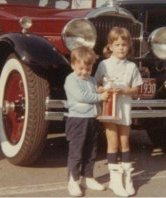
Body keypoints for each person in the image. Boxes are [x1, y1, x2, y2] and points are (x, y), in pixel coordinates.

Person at [94, 27, 143, 197]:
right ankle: (115, 181)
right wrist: (104, 89)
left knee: (125, 143)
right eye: (117, 44)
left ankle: (127, 178)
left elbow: (137, 89)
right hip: (109, 108)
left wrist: (124, 90)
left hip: (124, 107)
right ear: (110, 46)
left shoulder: (131, 67)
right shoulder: (104, 64)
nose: (121, 47)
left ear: (129, 46)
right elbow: (96, 84)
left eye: (124, 44)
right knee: (113, 143)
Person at [64, 46, 109, 197]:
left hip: (92, 120)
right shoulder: (71, 79)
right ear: (73, 65)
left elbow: (94, 91)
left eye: (88, 69)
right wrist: (99, 97)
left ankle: (88, 177)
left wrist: (100, 90)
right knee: (76, 151)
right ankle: (73, 180)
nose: (84, 72)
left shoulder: (91, 80)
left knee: (91, 150)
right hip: (77, 120)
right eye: (80, 68)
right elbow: (81, 96)